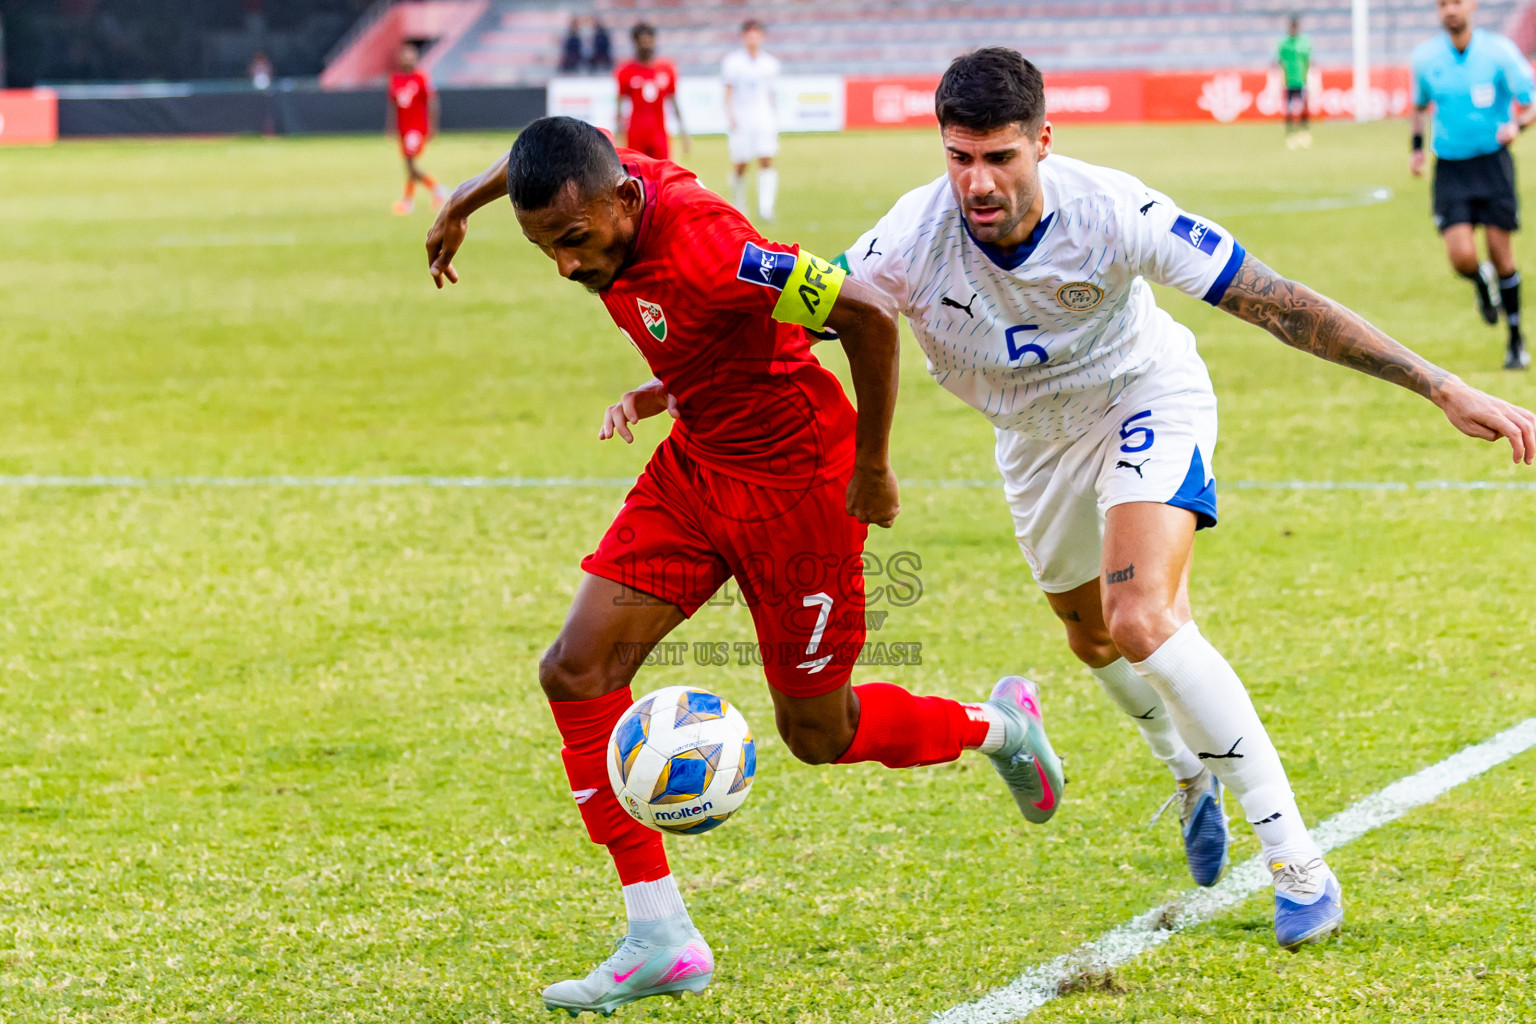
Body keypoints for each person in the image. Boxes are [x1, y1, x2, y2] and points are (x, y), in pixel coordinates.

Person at [838, 48, 1535, 951]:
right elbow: (797, 315)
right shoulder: (905, 238)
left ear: (1043, 141)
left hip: (1142, 396)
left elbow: (1276, 302)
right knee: (1087, 634)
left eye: (1001, 157)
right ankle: (1185, 769)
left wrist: (1441, 386)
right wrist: (675, 385)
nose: (978, 181)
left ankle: (1296, 862)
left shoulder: (1112, 212)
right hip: (1032, 443)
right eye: (960, 157)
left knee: (1141, 616)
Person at [423, 116, 1065, 1015]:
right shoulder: (604, 177)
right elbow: (554, 147)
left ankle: (997, 725)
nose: (566, 265)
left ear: (624, 199)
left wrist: (872, 468)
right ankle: (660, 935)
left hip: (801, 484)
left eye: (574, 241)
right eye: (544, 249)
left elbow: (864, 315)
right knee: (575, 671)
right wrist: (461, 201)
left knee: (818, 733)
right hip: (697, 466)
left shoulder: (719, 250)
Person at [1411, 0, 1536, 370]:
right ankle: (1480, 281)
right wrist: (1416, 150)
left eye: (1457, 3)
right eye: (1443, 4)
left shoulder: (1499, 53)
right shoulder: (1425, 58)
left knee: (1502, 257)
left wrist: (1518, 126)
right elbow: (1419, 107)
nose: (1450, 10)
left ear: (1472, 6)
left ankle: (1515, 340)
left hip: (1492, 164)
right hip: (1450, 167)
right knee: (1461, 257)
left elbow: (1529, 104)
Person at [722, 19, 781, 220]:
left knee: (766, 159)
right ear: (744, 37)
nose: (753, 39)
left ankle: (766, 207)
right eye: (750, 34)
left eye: (756, 34)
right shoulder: (733, 63)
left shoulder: (770, 63)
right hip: (742, 118)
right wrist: (731, 116)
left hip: (763, 118)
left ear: (762, 37)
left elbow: (772, 94)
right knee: (740, 163)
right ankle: (739, 205)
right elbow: (728, 92)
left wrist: (774, 117)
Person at [386, 43, 447, 216]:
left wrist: (432, 127)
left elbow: (432, 102)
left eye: (410, 55)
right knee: (409, 165)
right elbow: (393, 104)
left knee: (410, 164)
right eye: (404, 55)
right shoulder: (396, 79)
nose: (407, 58)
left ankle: (433, 190)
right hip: (403, 129)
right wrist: (391, 126)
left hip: (417, 128)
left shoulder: (421, 78)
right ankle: (411, 200)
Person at [615, 23, 688, 161]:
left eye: (649, 41)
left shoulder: (667, 69)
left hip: (659, 133)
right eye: (643, 42)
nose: (647, 45)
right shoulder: (625, 71)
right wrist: (618, 134)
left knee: (662, 174)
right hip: (636, 133)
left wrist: (683, 131)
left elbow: (674, 101)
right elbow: (619, 105)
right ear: (635, 43)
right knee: (637, 175)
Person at [1278, 15, 1311, 148]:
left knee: (1303, 107)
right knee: (1289, 109)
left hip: (1301, 81)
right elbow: (1280, 62)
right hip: (1288, 82)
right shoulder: (1284, 44)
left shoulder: (1304, 43)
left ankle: (1304, 132)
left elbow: (1307, 61)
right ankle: (1290, 134)